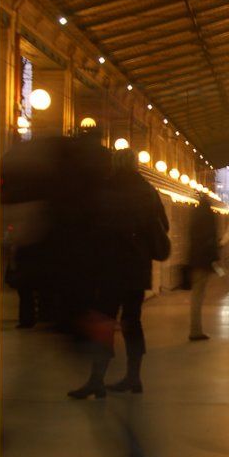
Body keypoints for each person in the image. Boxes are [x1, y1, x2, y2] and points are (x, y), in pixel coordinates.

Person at [67, 148, 169, 398]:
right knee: (132, 321)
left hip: (109, 267)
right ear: (135, 165)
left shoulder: (106, 189)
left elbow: (90, 228)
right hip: (137, 268)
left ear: (115, 164)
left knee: (103, 320)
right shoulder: (148, 191)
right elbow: (163, 226)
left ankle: (96, 380)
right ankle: (133, 378)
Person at [188, 195, 219, 341]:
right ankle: (196, 331)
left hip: (194, 261)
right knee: (199, 297)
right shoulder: (208, 217)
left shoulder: (194, 216)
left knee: (196, 297)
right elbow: (211, 240)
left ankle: (196, 329)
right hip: (203, 262)